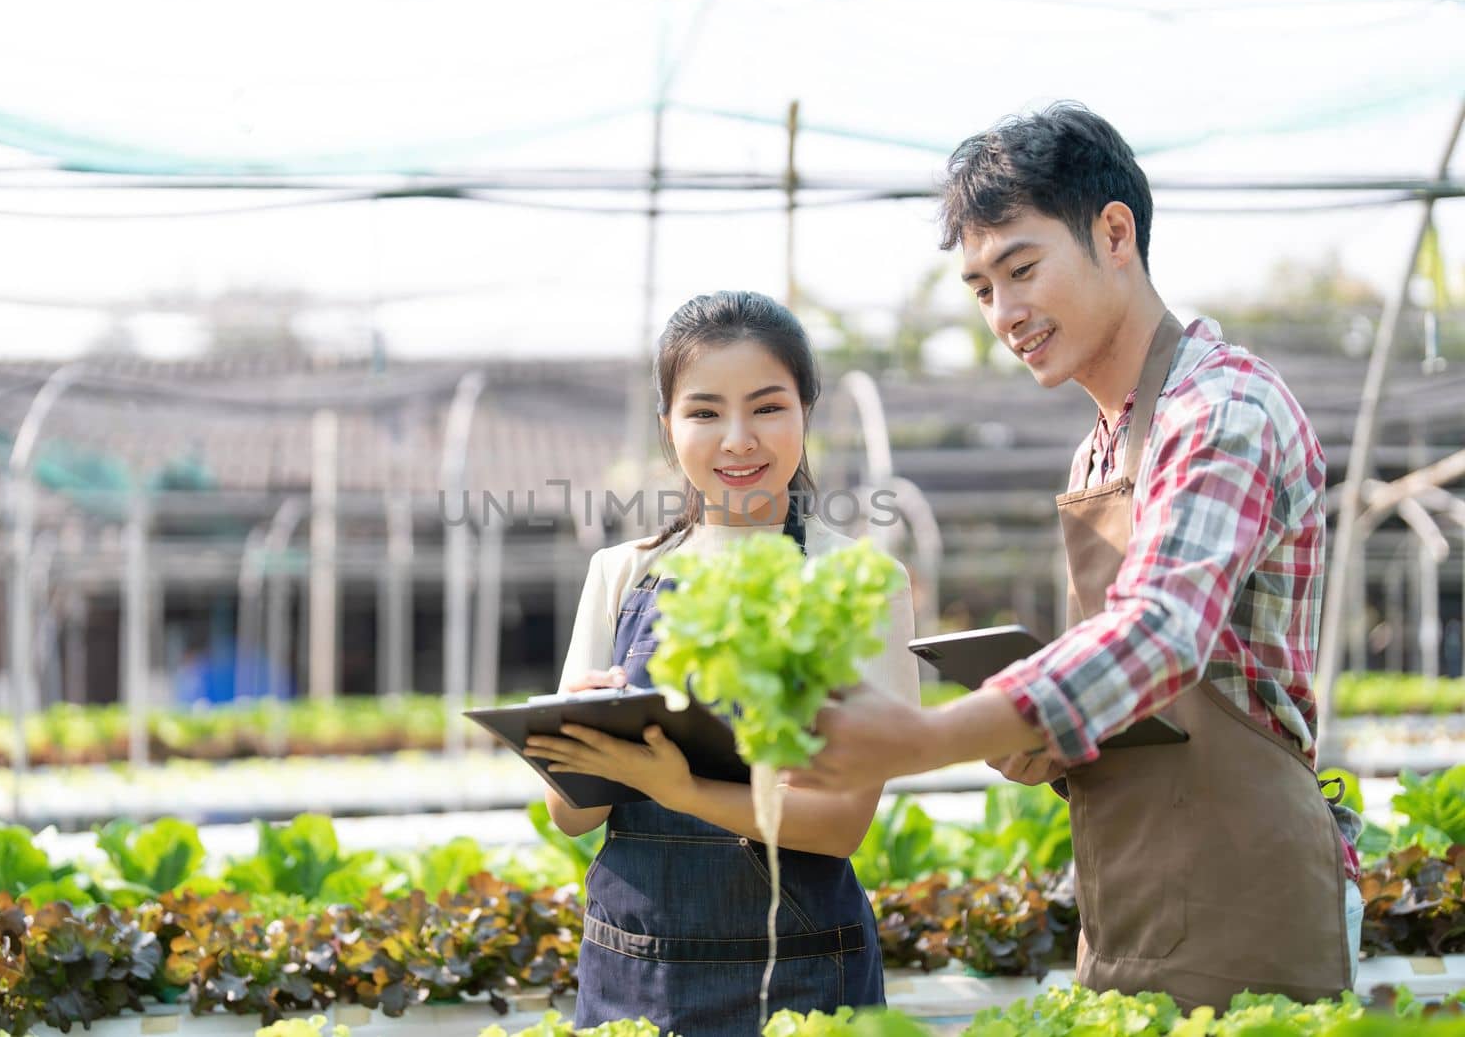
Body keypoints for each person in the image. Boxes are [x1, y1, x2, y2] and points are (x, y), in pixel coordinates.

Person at [790, 104, 1363, 1010]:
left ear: (1115, 232)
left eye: (1022, 268)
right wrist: (1037, 748)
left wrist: (936, 733)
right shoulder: (1100, 447)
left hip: (1249, 897)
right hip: (1128, 902)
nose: (1005, 313)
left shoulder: (1222, 409)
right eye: (981, 288)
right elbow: (1130, 696)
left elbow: (1162, 634)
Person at [524, 290, 920, 1036]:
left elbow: (840, 826)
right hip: (632, 966)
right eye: (705, 412)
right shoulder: (622, 572)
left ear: (806, 412)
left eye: (768, 407)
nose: (738, 439)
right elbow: (572, 815)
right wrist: (576, 741)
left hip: (803, 971)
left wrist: (678, 785)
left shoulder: (861, 580)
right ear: (670, 431)